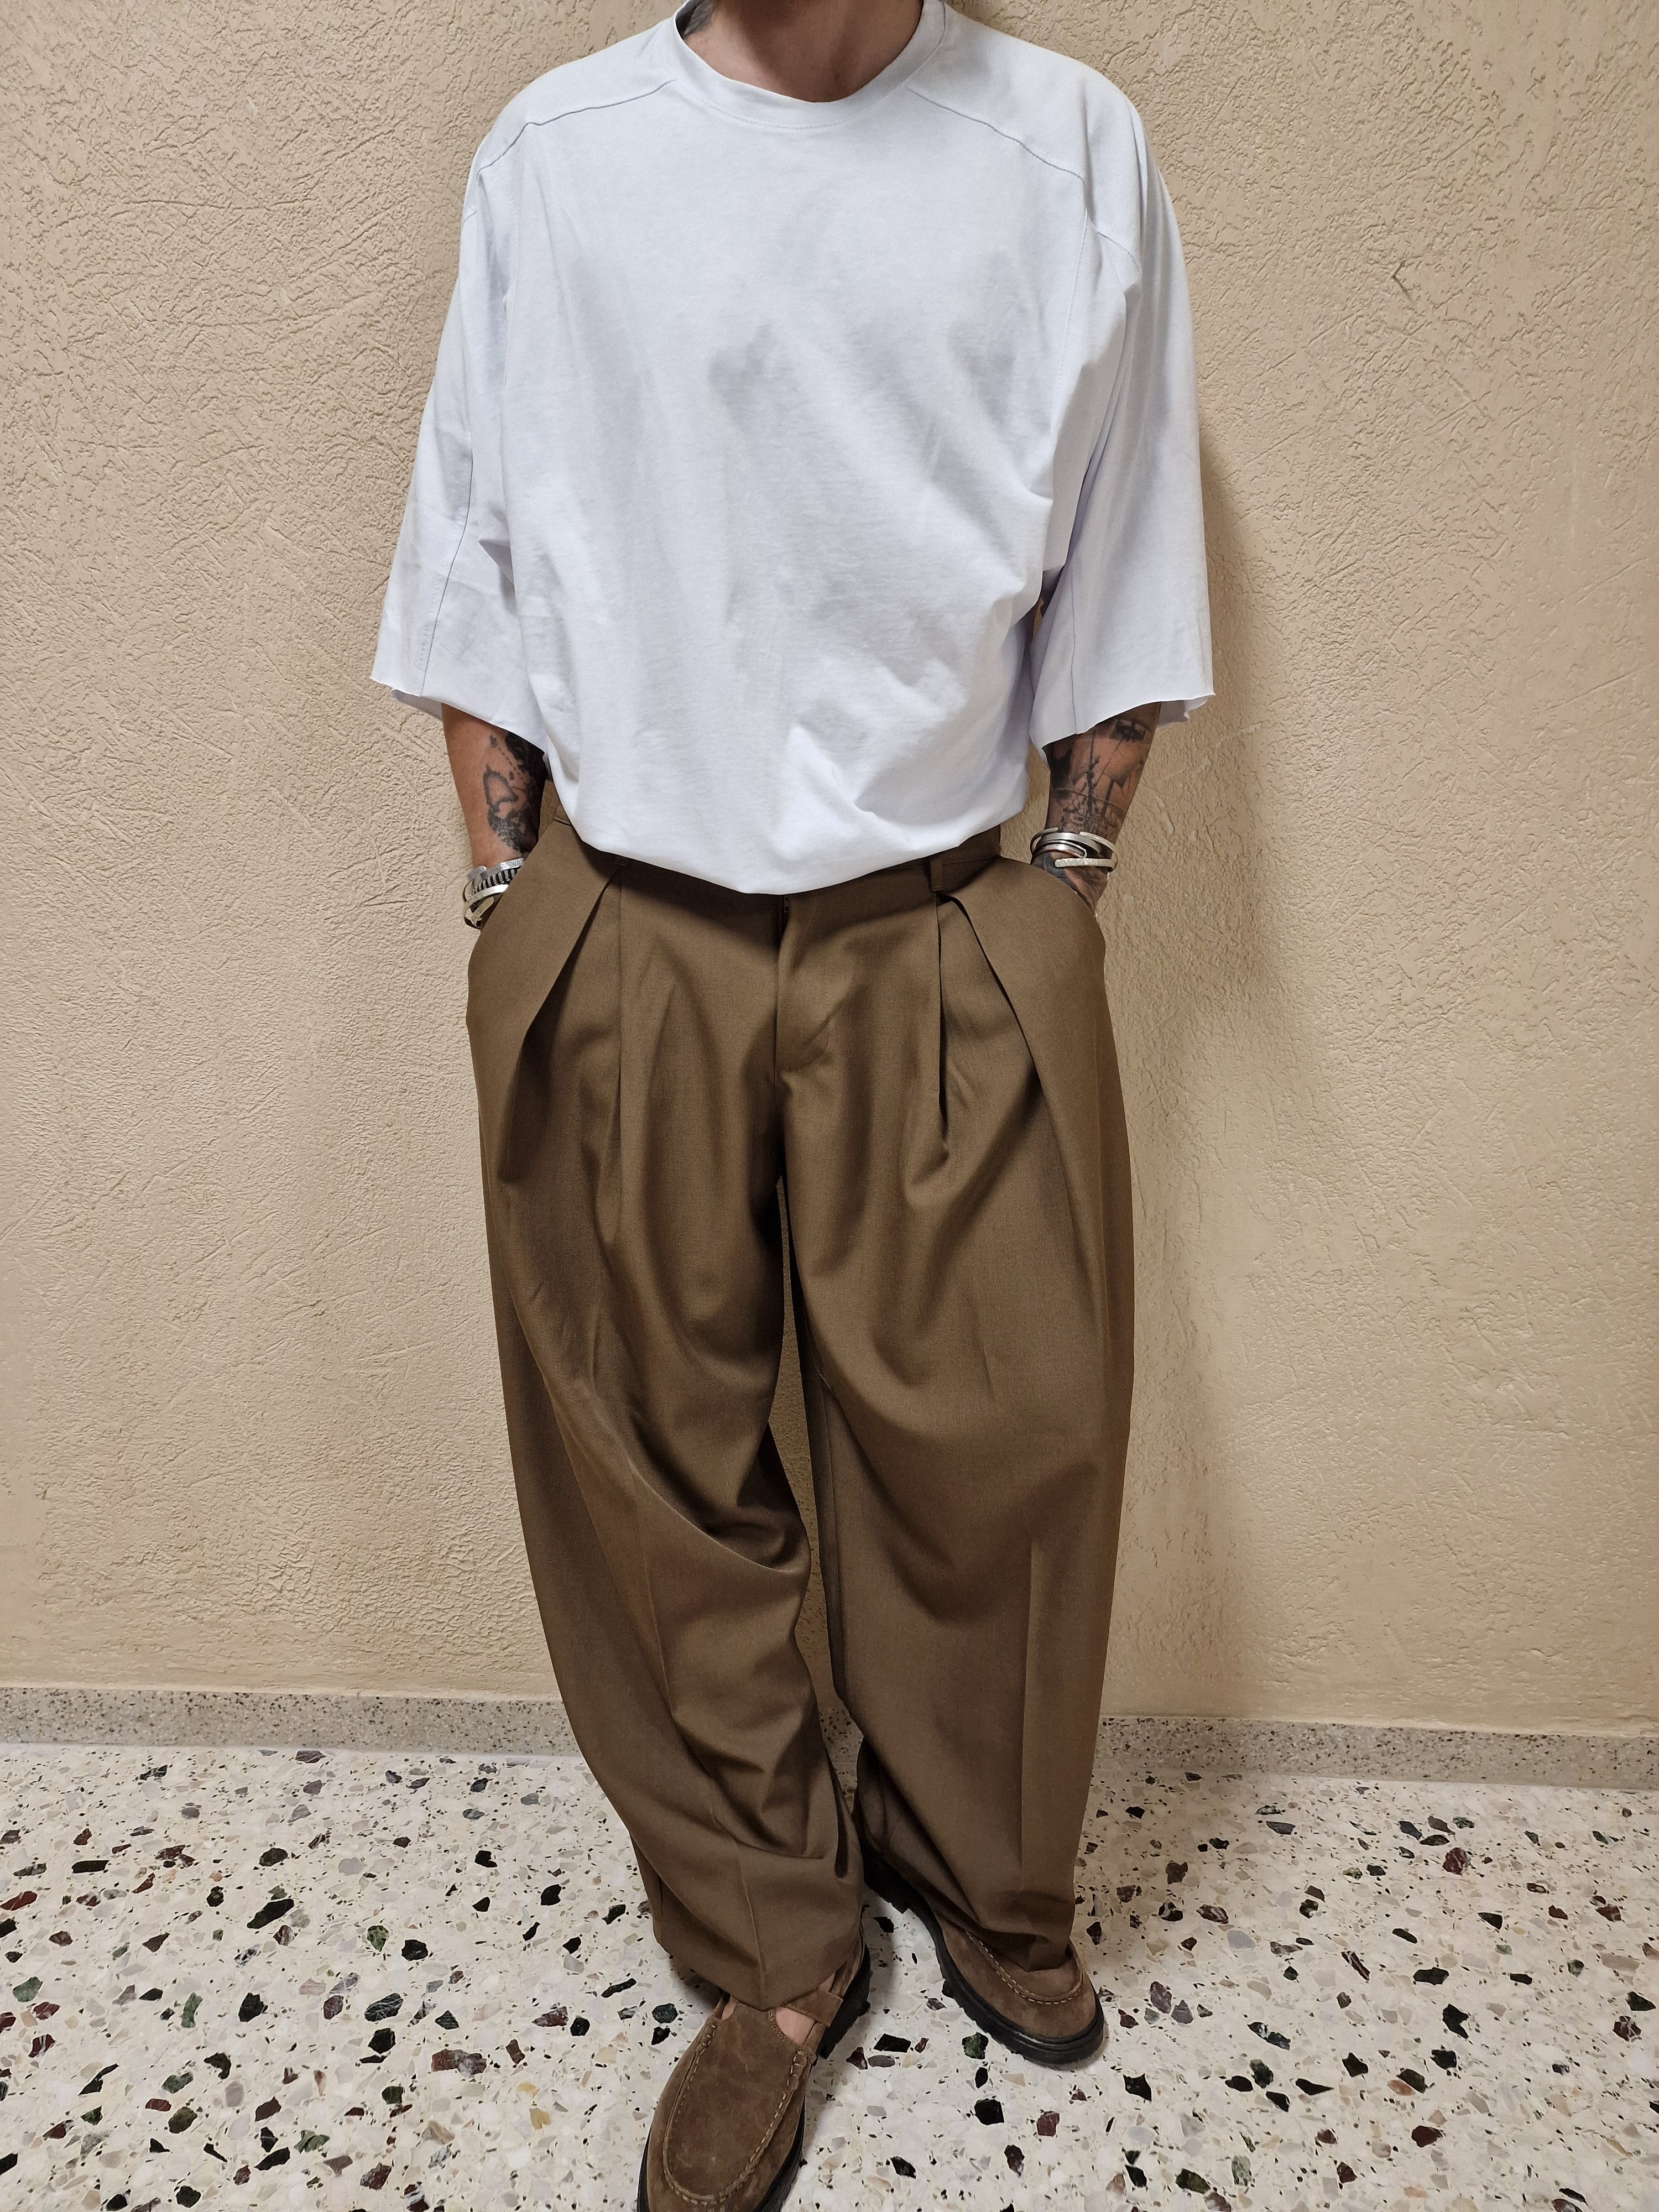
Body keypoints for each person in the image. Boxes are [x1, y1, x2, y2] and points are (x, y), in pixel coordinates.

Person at [372, 0, 1210, 2198]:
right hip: (625, 912)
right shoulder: (556, 158)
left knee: (1006, 1437)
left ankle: (983, 1872)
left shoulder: (1069, 154)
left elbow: (1123, 560)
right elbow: (474, 564)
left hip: (937, 910)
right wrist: (507, 900)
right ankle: (769, 1942)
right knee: (652, 1461)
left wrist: (1063, 896)